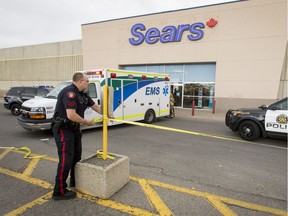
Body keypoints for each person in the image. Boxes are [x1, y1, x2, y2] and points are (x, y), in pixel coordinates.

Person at [51, 72, 101, 200]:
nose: (88, 83)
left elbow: (95, 107)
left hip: (75, 129)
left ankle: (74, 181)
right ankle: (59, 191)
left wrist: (108, 113)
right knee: (66, 159)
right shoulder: (70, 93)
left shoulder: (82, 94)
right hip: (64, 129)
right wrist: (86, 122)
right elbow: (71, 115)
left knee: (76, 157)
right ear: (80, 81)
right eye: (87, 81)